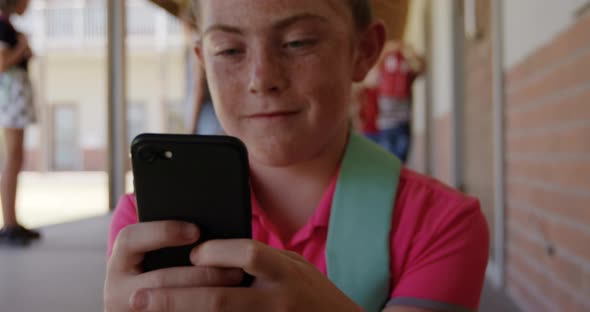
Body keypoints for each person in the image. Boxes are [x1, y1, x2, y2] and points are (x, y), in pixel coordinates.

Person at [104, 0, 489, 311]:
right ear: (203, 60)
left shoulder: (440, 224)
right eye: (229, 49)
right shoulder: (144, 224)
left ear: (364, 50)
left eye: (298, 42)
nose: (262, 77)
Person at [0, 0, 40, 246]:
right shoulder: (3, 27)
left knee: (16, 158)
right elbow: (2, 63)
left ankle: (12, 221)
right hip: (11, 98)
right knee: (12, 157)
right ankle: (9, 224)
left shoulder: (8, 26)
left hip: (16, 97)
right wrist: (23, 47)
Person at [371, 41, 425, 162]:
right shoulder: (382, 72)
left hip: (402, 123)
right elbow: (371, 71)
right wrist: (386, 51)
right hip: (387, 125)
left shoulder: (406, 71)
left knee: (400, 165)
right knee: (388, 164)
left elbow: (422, 67)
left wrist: (410, 51)